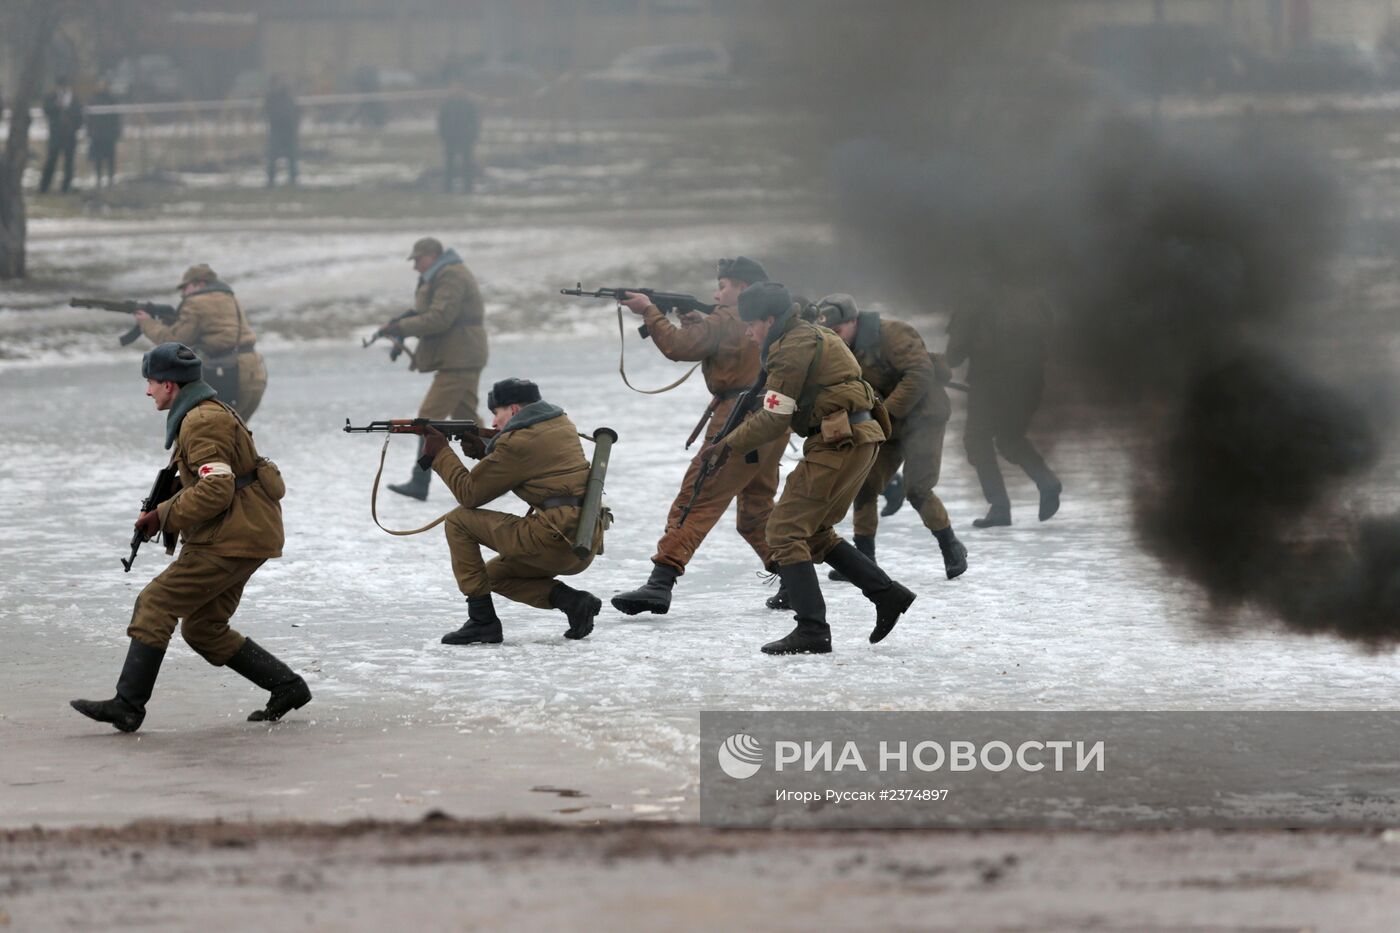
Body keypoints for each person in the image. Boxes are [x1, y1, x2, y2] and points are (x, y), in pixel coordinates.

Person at [71, 343, 310, 732]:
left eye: (150, 382)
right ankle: (287, 686)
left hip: (232, 536)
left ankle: (128, 705)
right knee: (203, 628)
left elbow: (217, 488)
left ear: (169, 384)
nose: (147, 391)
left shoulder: (201, 420)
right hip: (249, 531)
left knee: (155, 603)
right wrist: (162, 512)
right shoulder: (206, 411)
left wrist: (164, 515)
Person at [707, 283, 916, 655]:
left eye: (751, 324)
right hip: (856, 437)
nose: (748, 332)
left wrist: (728, 445)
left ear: (769, 320)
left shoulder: (790, 348)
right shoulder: (810, 333)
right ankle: (887, 594)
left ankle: (812, 630)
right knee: (816, 533)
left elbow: (775, 417)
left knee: (784, 531)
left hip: (839, 441)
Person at [610, 257, 786, 615]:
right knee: (755, 513)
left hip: (737, 419)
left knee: (697, 496)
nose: (717, 293)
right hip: (771, 420)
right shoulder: (759, 322)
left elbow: (679, 348)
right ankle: (796, 581)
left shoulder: (727, 318)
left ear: (743, 289)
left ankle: (660, 583)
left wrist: (649, 312)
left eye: (724, 286)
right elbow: (721, 348)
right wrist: (694, 323)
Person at [421, 378, 607, 645]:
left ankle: (482, 622)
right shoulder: (560, 424)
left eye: (497, 413)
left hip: (553, 540)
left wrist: (441, 453)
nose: (494, 423)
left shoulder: (517, 443)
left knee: (459, 521)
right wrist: (488, 452)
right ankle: (574, 602)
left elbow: (469, 494)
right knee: (494, 576)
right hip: (582, 541)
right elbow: (533, 465)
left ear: (515, 410)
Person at [816, 294, 968, 580]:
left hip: (923, 416)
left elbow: (920, 373)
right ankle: (864, 561)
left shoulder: (893, 333)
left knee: (918, 488)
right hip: (887, 424)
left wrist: (885, 411)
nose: (833, 338)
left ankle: (951, 547)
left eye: (837, 332)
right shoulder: (839, 348)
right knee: (864, 484)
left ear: (853, 321)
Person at [383, 237, 490, 500]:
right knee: (468, 421)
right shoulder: (442, 274)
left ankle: (420, 480)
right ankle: (505, 469)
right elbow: (430, 311)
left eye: (417, 260)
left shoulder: (450, 275)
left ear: (431, 255)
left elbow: (441, 317)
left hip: (460, 358)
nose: (415, 266)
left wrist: (402, 328)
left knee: (427, 419)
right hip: (460, 355)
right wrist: (403, 323)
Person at [946, 291, 1062, 527]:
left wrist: (934, 367)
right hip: (1031, 382)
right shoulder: (1029, 295)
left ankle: (999, 507)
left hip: (990, 383)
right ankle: (1047, 482)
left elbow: (954, 355)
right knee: (1010, 439)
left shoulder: (973, 298)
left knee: (977, 441)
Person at [136, 264, 268, 420]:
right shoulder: (229, 297)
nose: (183, 293)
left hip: (230, 374)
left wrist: (146, 322)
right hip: (255, 372)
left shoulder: (195, 302)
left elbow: (174, 340)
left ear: (200, 284)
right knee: (236, 434)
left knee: (214, 434)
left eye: (185, 287)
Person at [39, 77, 83, 194]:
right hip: (55, 135)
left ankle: (66, 187)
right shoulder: (52, 97)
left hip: (69, 135)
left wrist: (74, 127)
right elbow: (46, 110)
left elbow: (79, 115)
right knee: (51, 160)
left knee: (69, 163)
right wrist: (56, 106)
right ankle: (44, 187)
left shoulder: (74, 98)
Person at [438, 86, 480, 193]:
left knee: (467, 164)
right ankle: (448, 187)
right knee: (449, 165)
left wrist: (473, 136)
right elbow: (441, 121)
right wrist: (443, 135)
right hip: (450, 139)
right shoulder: (447, 105)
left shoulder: (469, 105)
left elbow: (475, 122)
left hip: (466, 139)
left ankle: (468, 187)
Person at [264, 76, 300, 187]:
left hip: (289, 130)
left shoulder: (288, 96)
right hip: (276, 129)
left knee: (292, 156)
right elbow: (265, 111)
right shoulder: (270, 97)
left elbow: (296, 111)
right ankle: (271, 180)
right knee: (272, 156)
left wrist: (295, 124)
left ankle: (293, 179)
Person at [87, 79, 121, 188]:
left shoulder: (112, 100)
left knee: (110, 158)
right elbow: (89, 118)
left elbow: (116, 118)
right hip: (97, 135)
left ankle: (111, 179)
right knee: (98, 159)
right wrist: (90, 132)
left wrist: (117, 131)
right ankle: (98, 179)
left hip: (109, 135)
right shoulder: (93, 99)